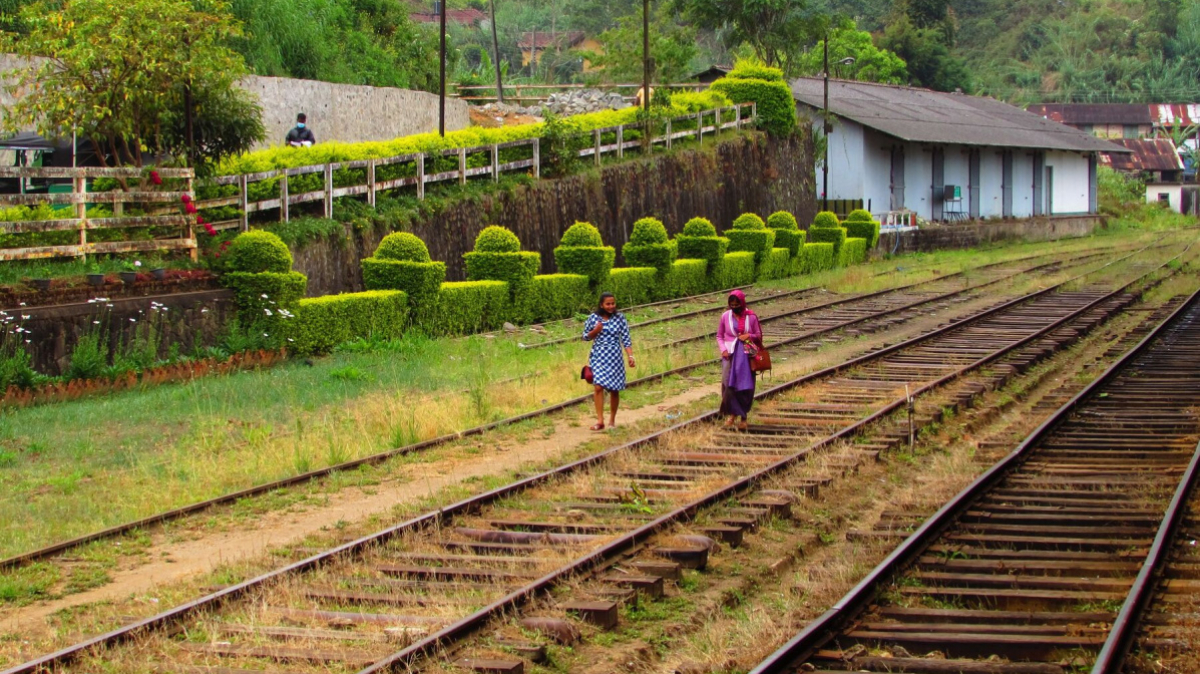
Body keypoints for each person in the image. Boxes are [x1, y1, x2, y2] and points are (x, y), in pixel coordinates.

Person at [583, 292, 635, 431]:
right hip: (598, 356)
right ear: (601, 305)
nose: (611, 306)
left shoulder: (620, 318)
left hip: (615, 358)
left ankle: (612, 420)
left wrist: (630, 356)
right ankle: (600, 421)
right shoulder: (593, 318)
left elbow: (626, 339)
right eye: (608, 304)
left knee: (614, 389)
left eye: (613, 303)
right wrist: (596, 330)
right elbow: (585, 337)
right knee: (598, 386)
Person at [717, 289, 762, 430]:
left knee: (745, 385)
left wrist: (748, 336)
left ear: (742, 303)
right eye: (732, 304)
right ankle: (731, 414)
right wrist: (723, 349)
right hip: (730, 354)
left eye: (737, 304)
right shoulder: (725, 316)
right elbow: (719, 336)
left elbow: (758, 335)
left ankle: (743, 417)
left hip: (747, 356)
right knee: (728, 383)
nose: (735, 306)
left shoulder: (752, 317)